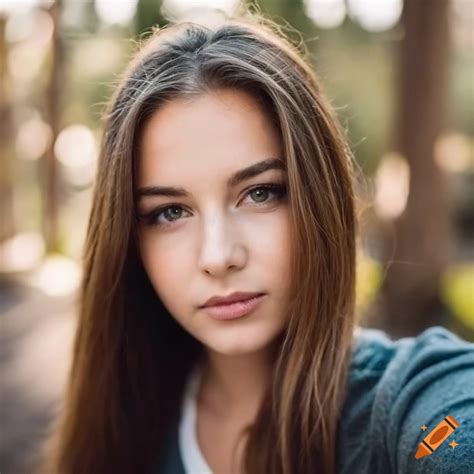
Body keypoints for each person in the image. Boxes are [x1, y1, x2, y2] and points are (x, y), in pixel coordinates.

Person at [40, 11, 474, 474]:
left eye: (260, 193)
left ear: (319, 195)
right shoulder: (127, 429)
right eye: (170, 212)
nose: (218, 256)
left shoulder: (409, 403)